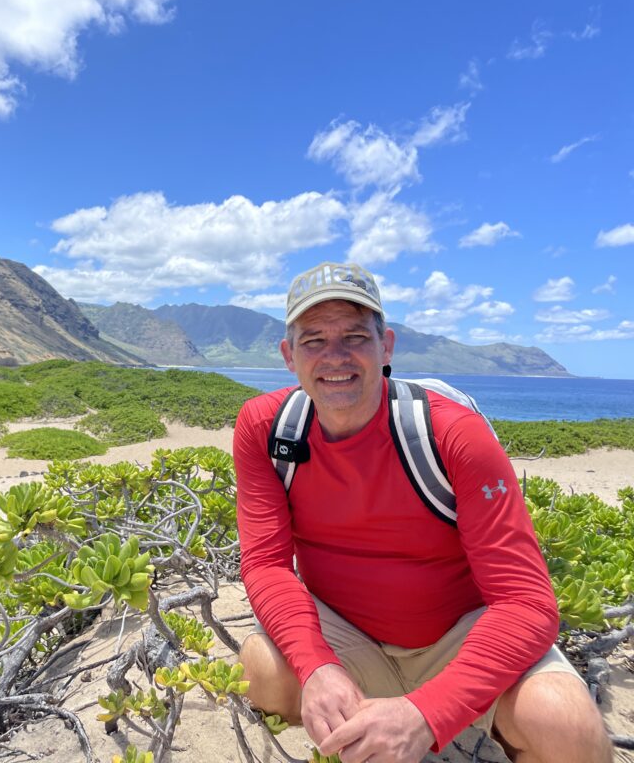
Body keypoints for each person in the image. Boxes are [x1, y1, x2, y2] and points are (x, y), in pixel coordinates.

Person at [234, 261, 613, 763]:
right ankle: (369, 726)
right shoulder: (267, 429)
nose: (336, 357)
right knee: (259, 667)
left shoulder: (452, 435)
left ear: (385, 346)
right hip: (348, 633)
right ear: (289, 356)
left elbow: (526, 602)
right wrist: (318, 668)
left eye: (354, 336)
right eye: (314, 341)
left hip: (458, 637)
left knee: (564, 723)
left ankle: (426, 727)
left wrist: (426, 712)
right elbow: (267, 564)